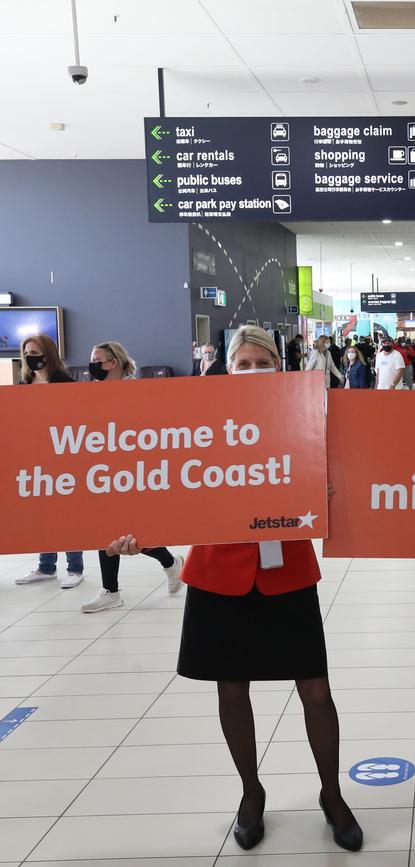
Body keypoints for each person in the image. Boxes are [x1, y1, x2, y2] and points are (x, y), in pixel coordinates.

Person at [105, 326, 362, 853]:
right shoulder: (200, 422)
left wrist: (329, 486)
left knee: (315, 687)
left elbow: (333, 477)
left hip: (286, 568)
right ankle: (251, 793)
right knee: (231, 689)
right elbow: (165, 481)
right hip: (219, 571)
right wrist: (138, 532)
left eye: (260, 362)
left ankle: (332, 795)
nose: (250, 371)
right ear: (226, 367)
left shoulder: (304, 414)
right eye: (241, 363)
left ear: (277, 364)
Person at [80, 341, 184, 613]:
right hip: (102, 471)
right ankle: (111, 590)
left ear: (113, 363)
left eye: (97, 359)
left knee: (133, 534)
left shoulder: (136, 391)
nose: (92, 364)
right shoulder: (89, 394)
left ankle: (171, 563)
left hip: (132, 471)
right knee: (105, 530)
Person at [15, 334, 85, 589]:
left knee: (66, 513)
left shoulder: (64, 382)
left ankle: (75, 567)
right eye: (27, 354)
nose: (31, 358)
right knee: (43, 513)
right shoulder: (26, 382)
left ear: (48, 355)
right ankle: (46, 566)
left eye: (36, 353)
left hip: (62, 453)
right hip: (36, 455)